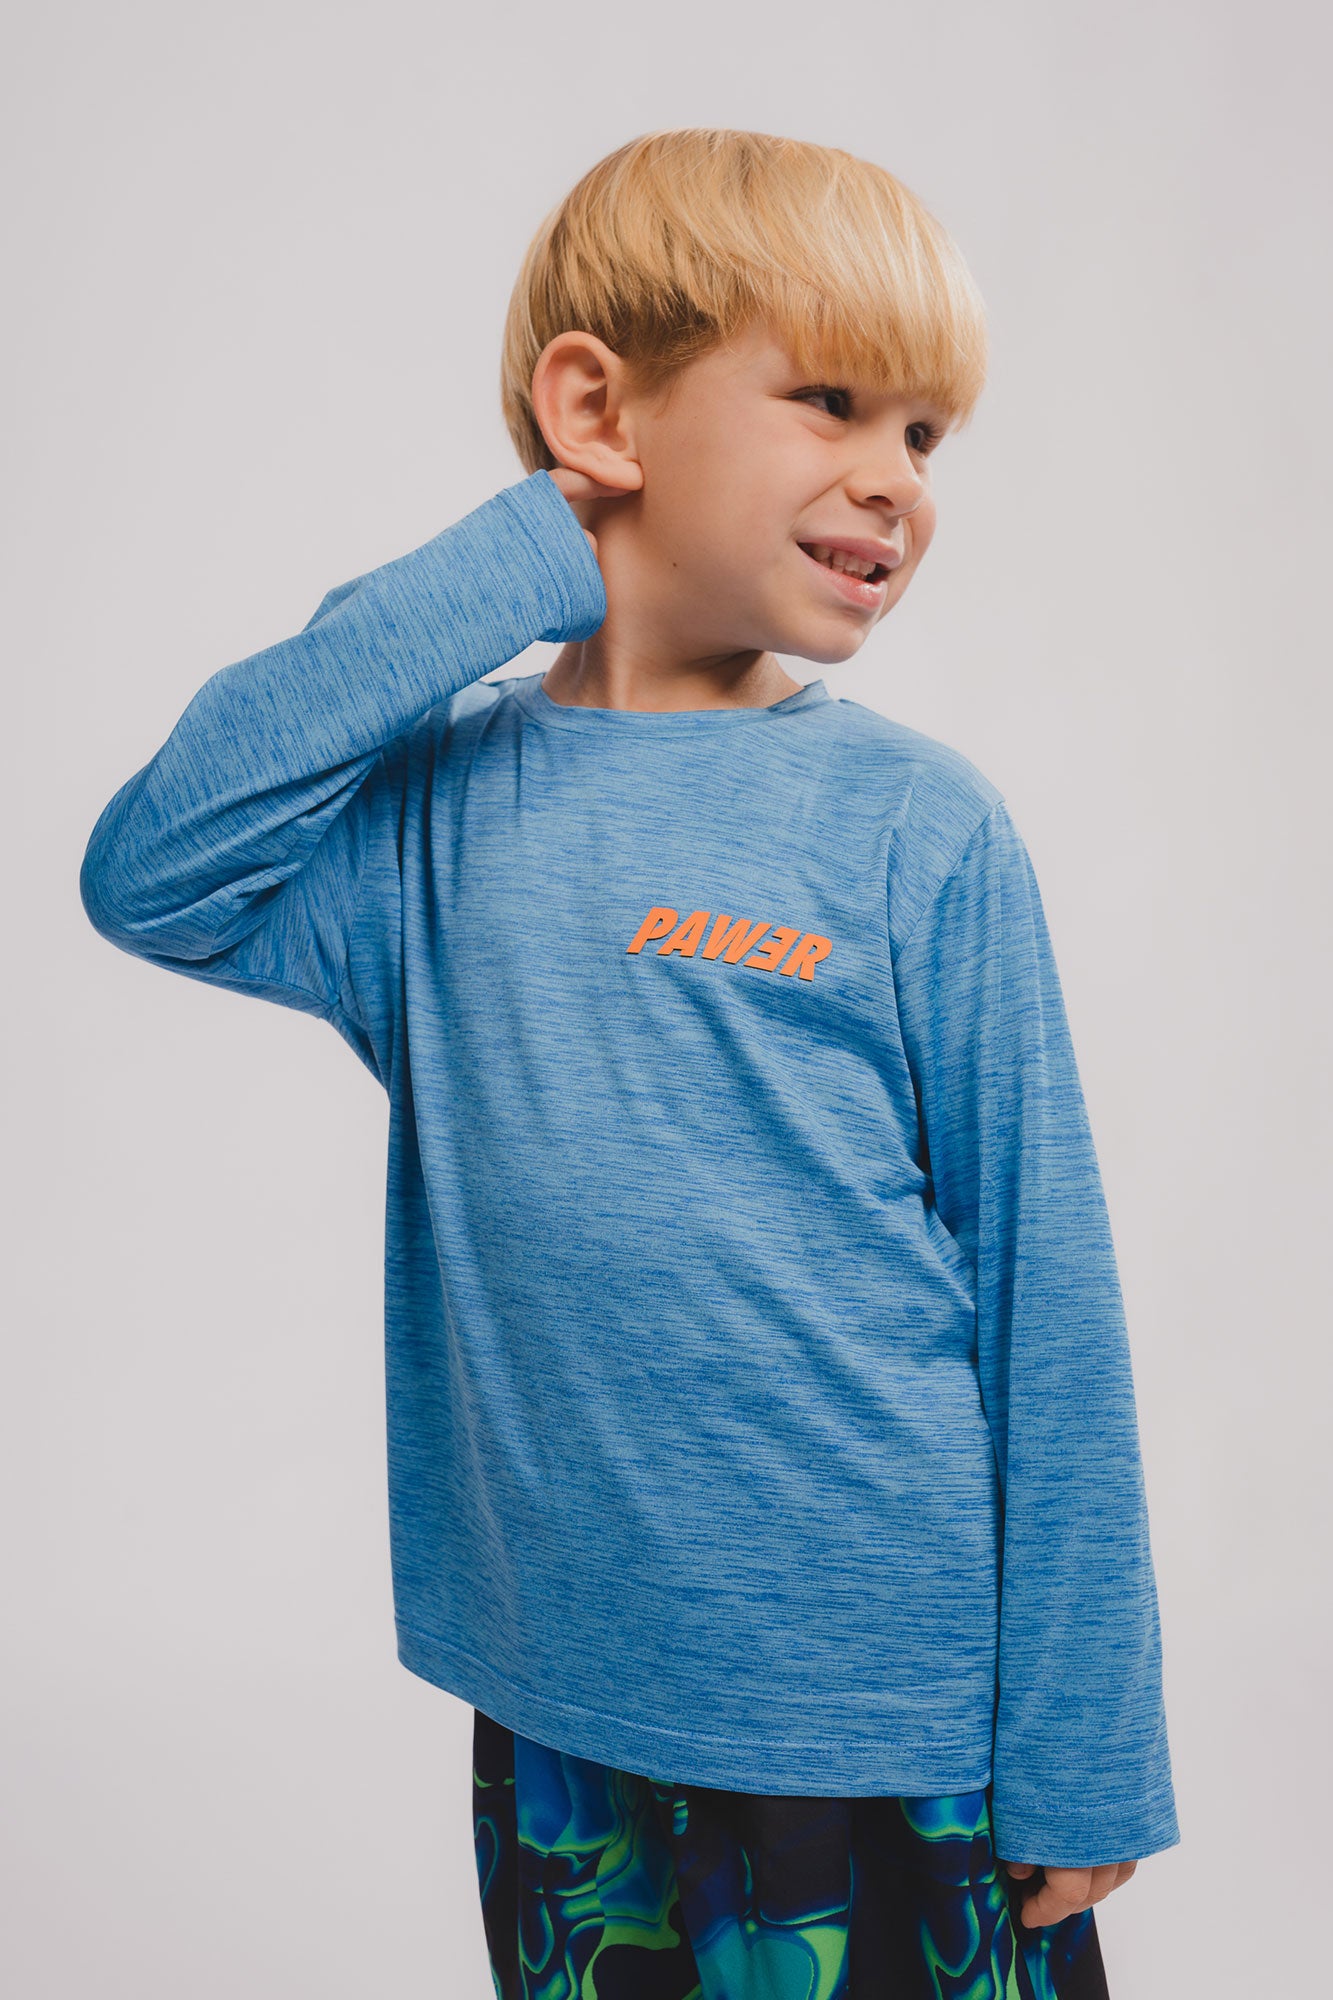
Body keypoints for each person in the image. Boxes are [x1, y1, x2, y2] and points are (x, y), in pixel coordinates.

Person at [79, 127, 1179, 1998]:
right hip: (567, 1712)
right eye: (831, 401)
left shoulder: (913, 829)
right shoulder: (433, 829)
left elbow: (1042, 1292)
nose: (896, 480)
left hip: (881, 1727)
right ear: (597, 407)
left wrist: (1088, 1741)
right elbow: (155, 870)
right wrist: (522, 552)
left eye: (926, 435)